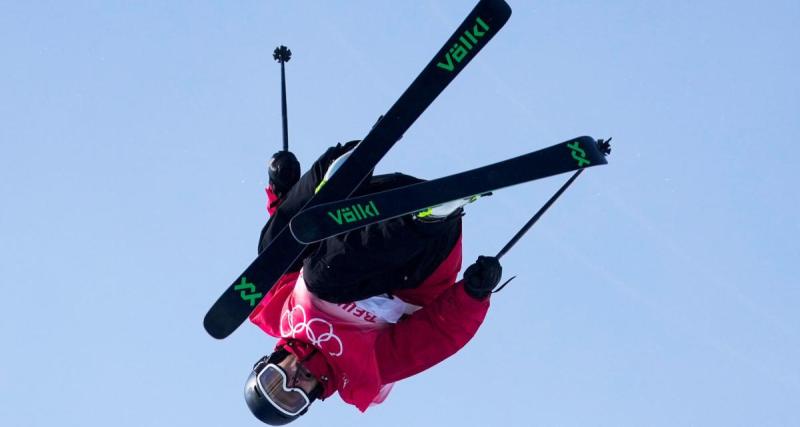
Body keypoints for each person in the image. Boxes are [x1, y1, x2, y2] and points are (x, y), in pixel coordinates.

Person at [245, 141, 504, 425]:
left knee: (269, 256)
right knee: (322, 279)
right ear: (311, 400)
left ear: (267, 363)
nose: (292, 381)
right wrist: (473, 296)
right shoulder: (364, 371)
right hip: (421, 254)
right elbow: (435, 337)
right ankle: (429, 214)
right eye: (294, 397)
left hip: (368, 206)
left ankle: (339, 176)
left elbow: (284, 249)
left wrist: (284, 191)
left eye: (275, 380)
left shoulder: (276, 313)